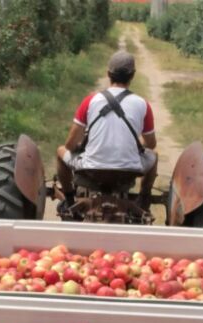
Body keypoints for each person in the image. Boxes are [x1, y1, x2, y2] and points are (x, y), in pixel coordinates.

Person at [56, 50, 158, 216]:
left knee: (60, 151)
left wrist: (80, 147)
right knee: (154, 156)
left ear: (108, 74)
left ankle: (69, 199)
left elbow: (70, 145)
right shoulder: (143, 104)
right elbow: (151, 144)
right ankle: (144, 199)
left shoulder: (90, 100)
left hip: (91, 169)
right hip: (129, 170)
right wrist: (136, 146)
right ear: (132, 75)